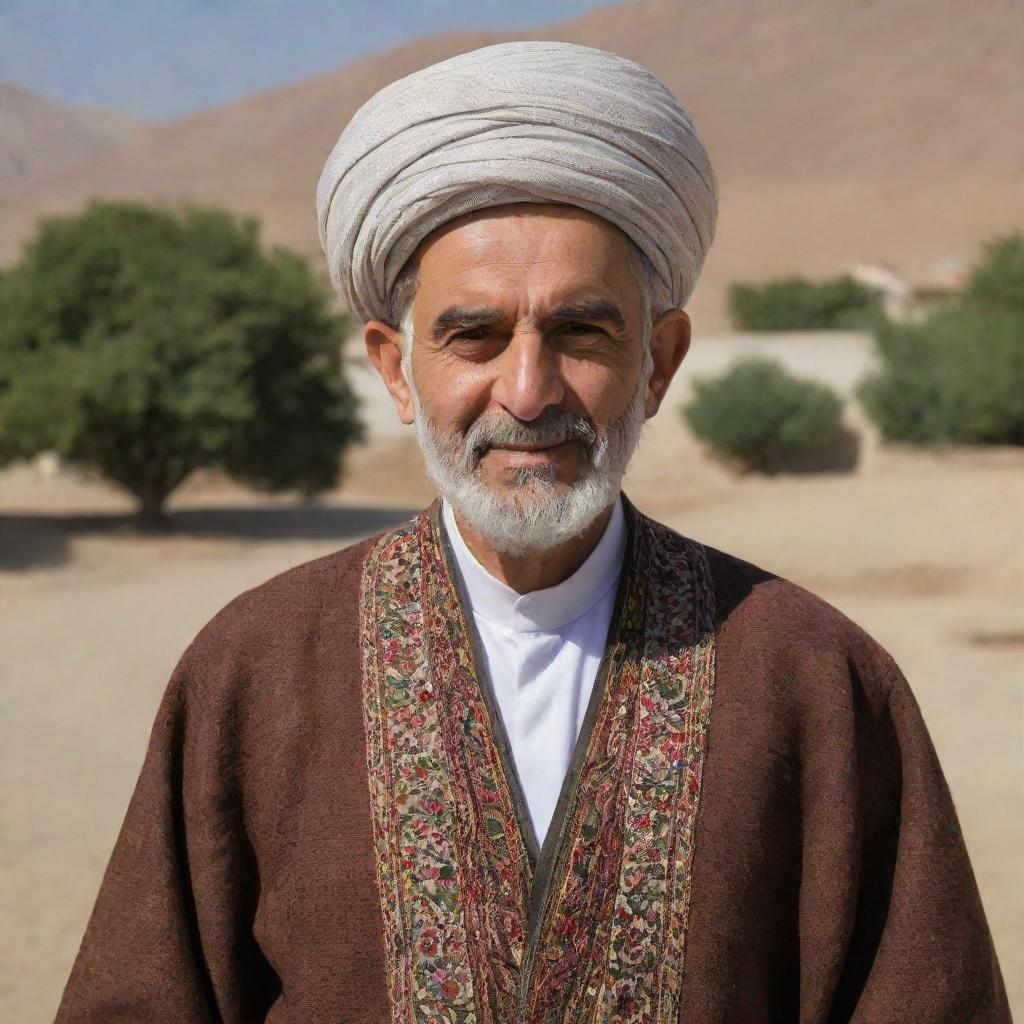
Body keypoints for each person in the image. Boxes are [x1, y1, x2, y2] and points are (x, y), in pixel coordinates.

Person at [55, 41, 1009, 1023]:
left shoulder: (815, 679)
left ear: (658, 360)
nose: (525, 390)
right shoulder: (256, 670)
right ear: (393, 368)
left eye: (581, 333)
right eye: (473, 335)